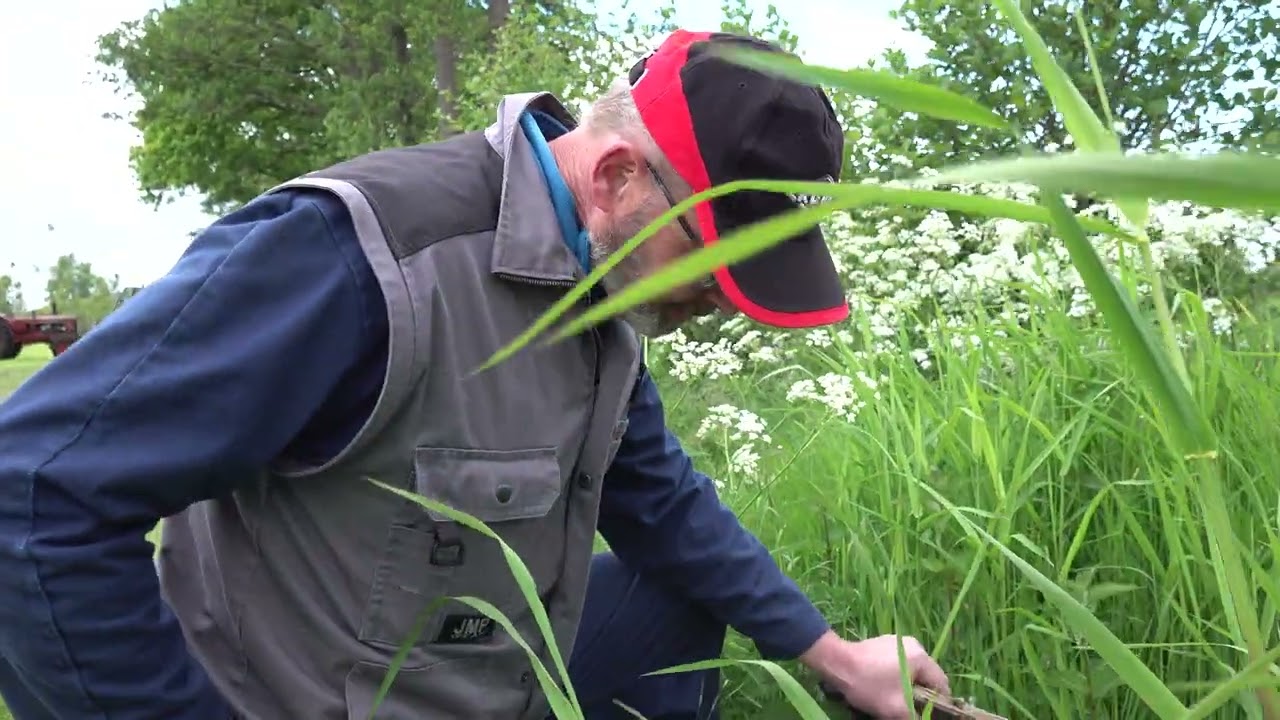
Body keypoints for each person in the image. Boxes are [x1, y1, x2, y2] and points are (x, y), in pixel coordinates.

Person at [0, 29, 949, 720]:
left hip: (490, 680)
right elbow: (35, 494)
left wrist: (832, 654)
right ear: (619, 176)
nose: (731, 301)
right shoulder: (357, 260)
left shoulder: (604, 282)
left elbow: (657, 497)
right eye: (717, 260)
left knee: (673, 596)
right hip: (300, 696)